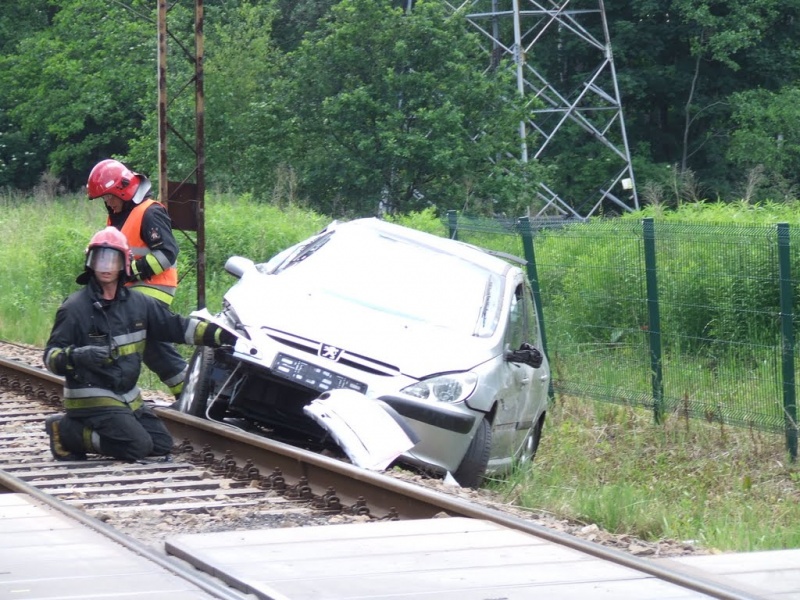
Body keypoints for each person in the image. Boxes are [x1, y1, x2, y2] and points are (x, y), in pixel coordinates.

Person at [43, 227, 236, 462]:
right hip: (90, 397)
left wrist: (220, 335)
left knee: (161, 444)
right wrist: (79, 356)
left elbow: (176, 326)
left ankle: (82, 429)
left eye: (111, 259)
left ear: (123, 264)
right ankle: (66, 433)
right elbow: (51, 357)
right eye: (100, 258)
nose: (105, 266)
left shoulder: (139, 303)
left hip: (126, 396)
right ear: (90, 263)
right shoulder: (74, 308)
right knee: (137, 447)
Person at [86, 158, 188, 399]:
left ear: (122, 189)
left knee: (143, 340)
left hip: (153, 289)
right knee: (145, 343)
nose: (107, 202)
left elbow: (167, 253)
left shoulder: (150, 212)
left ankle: (189, 395)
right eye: (104, 199)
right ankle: (186, 394)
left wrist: (131, 269)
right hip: (130, 290)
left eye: (109, 196)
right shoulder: (117, 216)